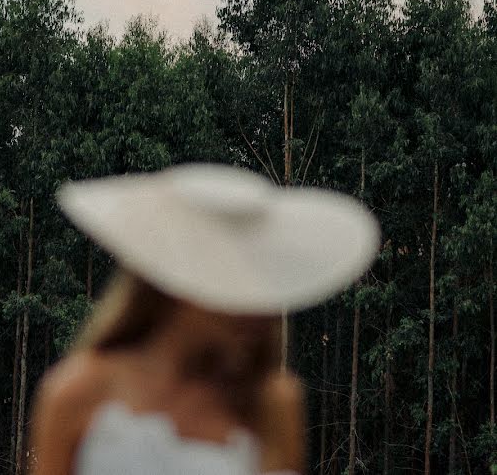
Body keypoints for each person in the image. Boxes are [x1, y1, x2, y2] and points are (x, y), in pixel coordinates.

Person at [29, 164, 380, 475]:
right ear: (172, 284)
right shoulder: (77, 392)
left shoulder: (271, 402)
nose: (259, 307)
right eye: (232, 283)